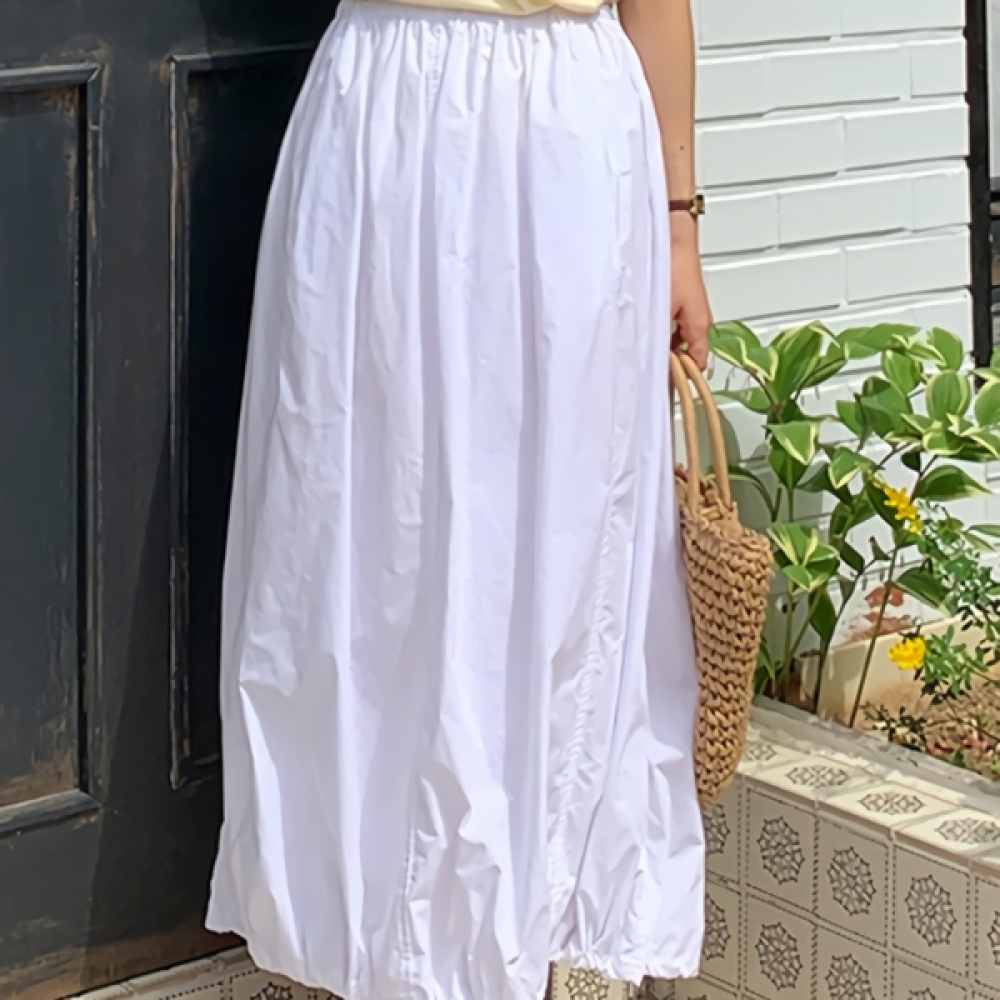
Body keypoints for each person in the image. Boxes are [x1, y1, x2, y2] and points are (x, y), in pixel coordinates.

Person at [206, 0, 712, 995]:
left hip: (564, 132)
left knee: (557, 536)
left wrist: (679, 225)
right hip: (384, 122)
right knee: (365, 536)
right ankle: (377, 938)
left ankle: (522, 925)